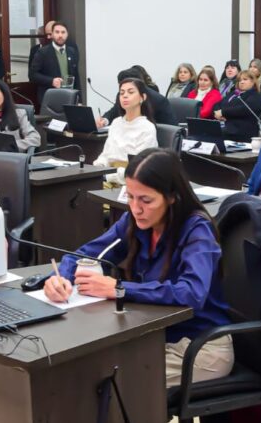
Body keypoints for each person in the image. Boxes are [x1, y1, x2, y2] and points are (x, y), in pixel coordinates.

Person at [43, 149, 234, 387]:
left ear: (172, 196)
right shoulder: (134, 223)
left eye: (146, 200)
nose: (136, 208)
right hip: (155, 337)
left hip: (201, 347)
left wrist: (119, 288)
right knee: (90, 369)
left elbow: (191, 293)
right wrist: (59, 277)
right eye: (130, 197)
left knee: (115, 385)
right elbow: (84, 254)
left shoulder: (196, 231)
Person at [95, 78, 158, 172]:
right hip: (108, 175)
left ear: (142, 97)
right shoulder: (116, 122)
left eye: (131, 92)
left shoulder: (147, 127)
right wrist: (98, 167)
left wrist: (110, 176)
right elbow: (105, 155)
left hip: (129, 179)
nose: (125, 96)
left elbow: (139, 167)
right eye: (122, 93)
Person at [100, 67, 177, 128]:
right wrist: (104, 120)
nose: (125, 95)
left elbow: (172, 130)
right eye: (122, 90)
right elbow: (114, 111)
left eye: (130, 91)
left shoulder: (158, 100)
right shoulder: (120, 95)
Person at [29, 21, 80, 105]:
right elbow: (33, 75)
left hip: (70, 97)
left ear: (67, 34)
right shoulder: (42, 52)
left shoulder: (72, 51)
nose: (60, 35)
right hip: (50, 98)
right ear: (51, 34)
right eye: (57, 32)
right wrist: (51, 81)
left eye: (63, 32)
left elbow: (76, 76)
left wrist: (79, 99)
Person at [215, 69, 261, 141]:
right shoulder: (234, 93)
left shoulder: (255, 96)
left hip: (241, 133)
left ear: (253, 82)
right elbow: (218, 104)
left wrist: (223, 112)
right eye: (239, 80)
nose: (241, 82)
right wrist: (216, 113)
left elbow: (243, 109)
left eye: (245, 79)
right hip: (227, 128)